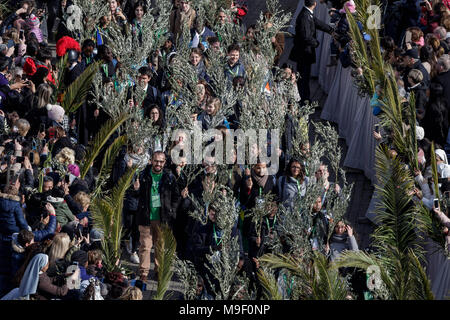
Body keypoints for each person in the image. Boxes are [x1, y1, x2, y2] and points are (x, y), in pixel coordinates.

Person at [136, 151, 180, 281]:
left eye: (161, 161)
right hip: (146, 217)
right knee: (145, 246)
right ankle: (143, 273)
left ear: (165, 162)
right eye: (156, 161)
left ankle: (159, 271)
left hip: (162, 218)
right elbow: (133, 195)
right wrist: (135, 189)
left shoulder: (169, 177)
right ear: (151, 161)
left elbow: (176, 196)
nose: (158, 164)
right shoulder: (143, 175)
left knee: (160, 247)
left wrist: (172, 211)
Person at [289, 0, 334, 104]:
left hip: (305, 53)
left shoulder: (308, 13)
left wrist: (331, 30)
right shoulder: (305, 16)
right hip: (303, 53)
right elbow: (306, 37)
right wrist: (316, 43)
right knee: (303, 78)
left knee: (305, 77)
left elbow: (317, 23)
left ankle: (306, 99)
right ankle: (303, 100)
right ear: (315, 4)